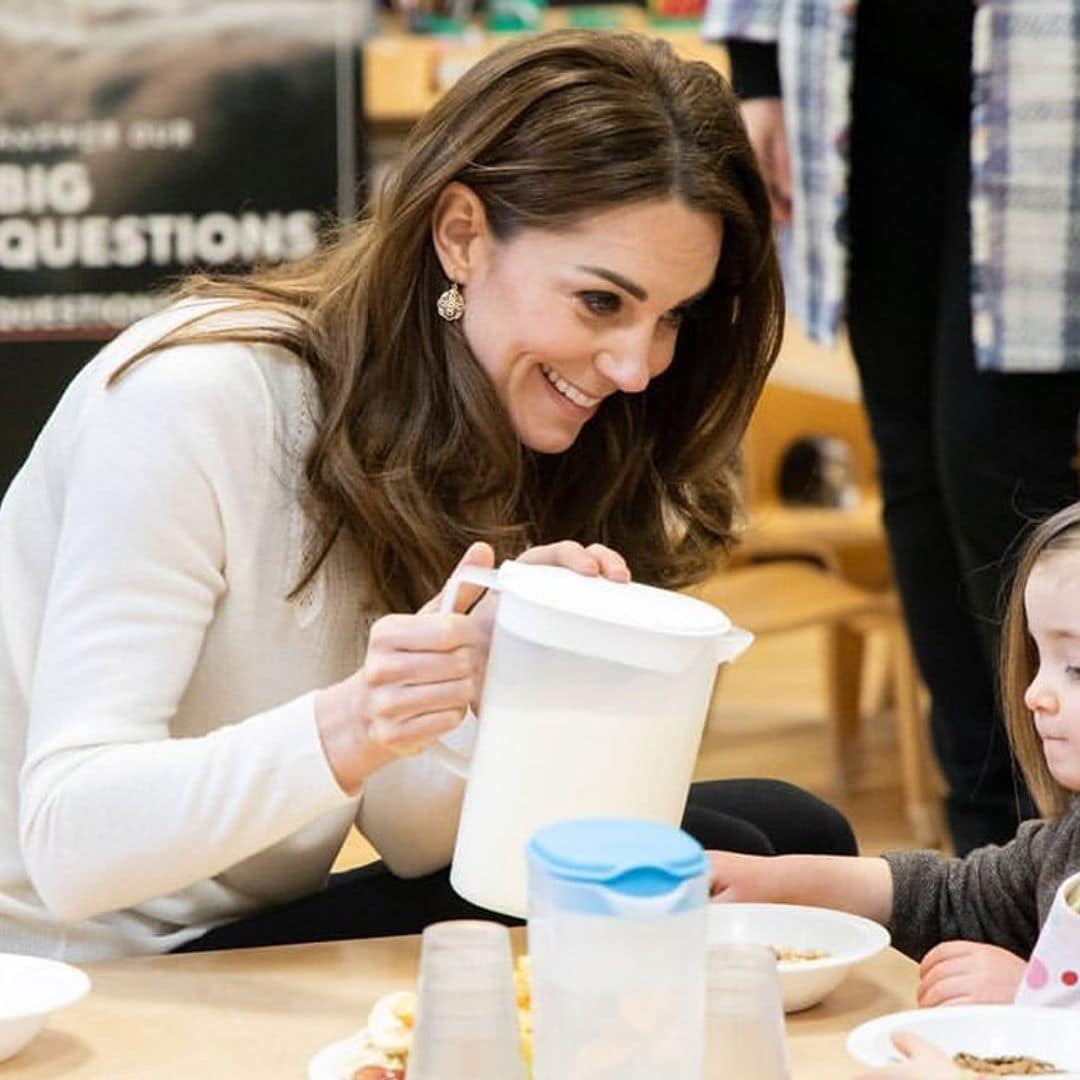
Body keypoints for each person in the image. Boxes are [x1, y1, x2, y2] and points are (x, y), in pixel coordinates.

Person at [0, 30, 858, 962]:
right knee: (737, 852)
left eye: (673, 318)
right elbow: (70, 842)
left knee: (783, 836)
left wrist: (502, 685)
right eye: (602, 303)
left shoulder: (499, 410)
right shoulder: (193, 400)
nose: (638, 366)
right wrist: (359, 718)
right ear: (461, 234)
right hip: (84, 962)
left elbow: (414, 836)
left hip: (246, 920)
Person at [704, 0, 1080, 855]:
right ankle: (984, 837)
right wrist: (755, 72)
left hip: (1051, 71)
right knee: (911, 468)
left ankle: (1053, 834)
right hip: (860, 63)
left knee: (994, 461)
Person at [709, 499, 1080, 1035]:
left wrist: (1034, 999)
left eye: (1076, 667)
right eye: (1037, 657)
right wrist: (773, 879)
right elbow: (959, 898)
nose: (1034, 694)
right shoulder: (1067, 840)